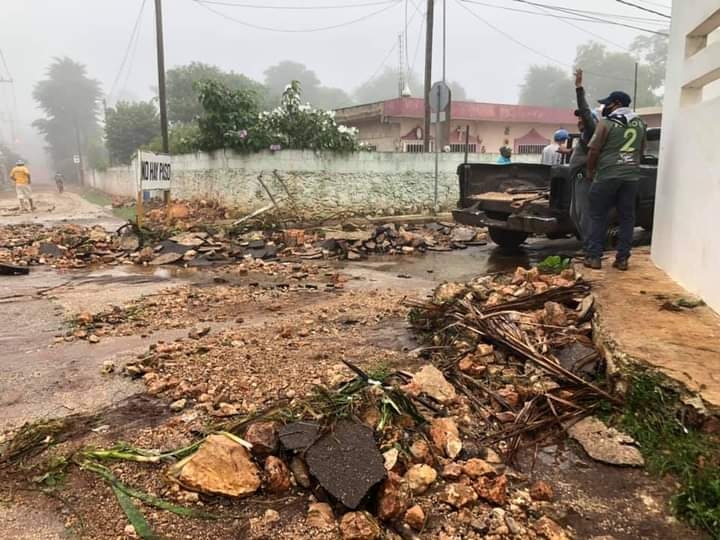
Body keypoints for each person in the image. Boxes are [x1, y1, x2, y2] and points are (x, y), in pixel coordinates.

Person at [585, 90, 647, 271]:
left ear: (617, 103)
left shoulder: (606, 123)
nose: (605, 107)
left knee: (597, 215)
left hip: (607, 175)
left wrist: (589, 171)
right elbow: (641, 151)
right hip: (630, 177)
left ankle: (594, 257)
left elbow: (593, 151)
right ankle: (622, 259)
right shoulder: (640, 124)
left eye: (608, 103)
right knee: (627, 218)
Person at [567, 68, 597, 252]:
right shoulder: (584, 136)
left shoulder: (592, 131)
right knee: (574, 213)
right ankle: (587, 244)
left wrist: (579, 88)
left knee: (584, 214)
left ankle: (591, 248)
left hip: (584, 177)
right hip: (577, 178)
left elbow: (585, 112)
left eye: (582, 119)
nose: (579, 121)